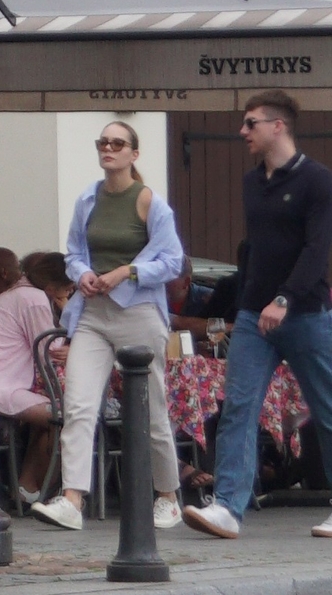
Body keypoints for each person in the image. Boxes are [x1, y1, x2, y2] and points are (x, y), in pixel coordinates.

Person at [186, 87, 332, 541]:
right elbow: (256, 250)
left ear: (278, 126)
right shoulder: (253, 182)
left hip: (304, 314)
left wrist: (285, 298)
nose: (242, 131)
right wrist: (246, 302)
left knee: (327, 410)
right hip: (253, 317)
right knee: (239, 408)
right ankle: (229, 507)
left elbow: (316, 250)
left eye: (251, 123)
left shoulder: (318, 181)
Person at [31, 117, 184, 534]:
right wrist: (81, 273)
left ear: (134, 154)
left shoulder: (151, 202)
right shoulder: (87, 199)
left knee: (151, 407)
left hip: (137, 313)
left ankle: (168, 496)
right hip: (94, 313)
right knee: (78, 404)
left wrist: (127, 272)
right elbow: (74, 252)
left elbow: (171, 261)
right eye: (103, 142)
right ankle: (73, 499)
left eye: (118, 143)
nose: (109, 148)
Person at [0, 244, 58, 503]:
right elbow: (48, 350)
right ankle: (40, 490)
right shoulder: (33, 299)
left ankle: (27, 487)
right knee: (64, 416)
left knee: (51, 414)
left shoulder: (17, 296)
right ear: (53, 284)